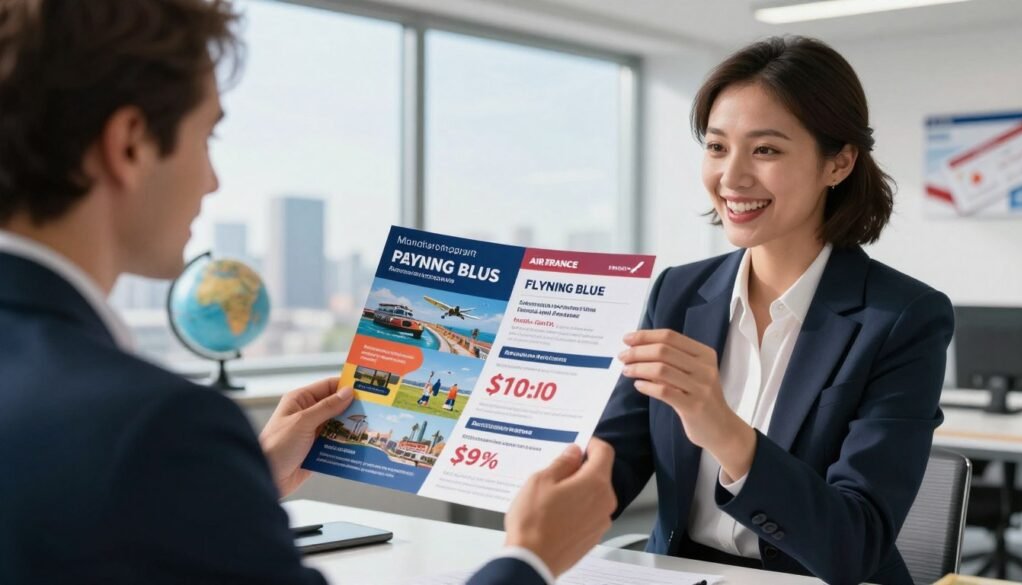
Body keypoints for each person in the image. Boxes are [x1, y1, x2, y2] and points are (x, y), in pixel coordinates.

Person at [0, 1, 617, 583]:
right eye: (206, 137)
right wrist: (531, 559)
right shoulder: (154, 424)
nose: (213, 181)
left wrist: (236, 485)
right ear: (131, 143)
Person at [595, 36, 954, 585]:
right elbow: (614, 462)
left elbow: (854, 545)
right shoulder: (677, 293)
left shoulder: (903, 318)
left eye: (765, 150)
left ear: (839, 162)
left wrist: (719, 425)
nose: (732, 177)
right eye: (717, 147)